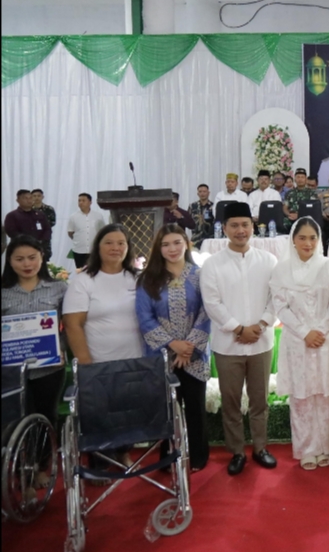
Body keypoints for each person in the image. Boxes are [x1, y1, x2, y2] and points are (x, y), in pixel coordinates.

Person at [199, 202, 279, 475]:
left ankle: (260, 447)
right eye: (234, 225)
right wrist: (238, 329)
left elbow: (276, 297)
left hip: (261, 341)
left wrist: (262, 324)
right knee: (231, 401)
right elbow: (212, 303)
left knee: (259, 400)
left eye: (245, 224)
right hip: (228, 346)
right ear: (224, 228)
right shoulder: (212, 264)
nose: (240, 230)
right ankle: (236, 451)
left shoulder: (268, 261)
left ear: (252, 227)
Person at [136, 224, 211, 471]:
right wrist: (173, 345)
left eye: (177, 242)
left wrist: (189, 348)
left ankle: (198, 457)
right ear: (158, 249)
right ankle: (168, 458)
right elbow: (145, 318)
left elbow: (207, 312)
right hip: (162, 355)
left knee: (195, 408)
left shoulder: (200, 275)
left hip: (194, 355)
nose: (172, 249)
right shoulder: (148, 278)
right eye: (165, 244)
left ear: (186, 244)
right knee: (166, 410)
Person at [270, 217, 329, 470]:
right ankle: (306, 449)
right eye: (302, 238)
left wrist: (320, 330)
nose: (308, 243)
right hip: (297, 341)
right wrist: (304, 332)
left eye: (312, 238)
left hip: (324, 339)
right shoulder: (281, 269)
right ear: (293, 240)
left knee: (325, 394)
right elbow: (280, 306)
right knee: (302, 396)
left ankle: (327, 446)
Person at [2, 236, 69, 473]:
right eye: (19, 259)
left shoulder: (60, 288)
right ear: (10, 261)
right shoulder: (4, 292)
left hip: (49, 367)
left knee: (46, 414)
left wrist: (61, 349)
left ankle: (41, 466)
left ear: (42, 258)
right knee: (15, 419)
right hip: (11, 370)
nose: (27, 264)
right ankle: (21, 469)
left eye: (32, 257)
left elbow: (69, 326)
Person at [63, 224, 142, 365]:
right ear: (98, 247)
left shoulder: (139, 279)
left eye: (121, 243)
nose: (115, 248)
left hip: (139, 362)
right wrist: (86, 363)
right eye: (108, 243)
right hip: (100, 365)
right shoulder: (83, 281)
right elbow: (73, 325)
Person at [4, 190, 52, 260]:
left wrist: (42, 241)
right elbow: (11, 232)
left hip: (39, 248)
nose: (29, 200)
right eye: (25, 198)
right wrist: (28, 242)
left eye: (30, 198)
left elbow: (47, 229)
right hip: (20, 248)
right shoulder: (12, 215)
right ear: (18, 200)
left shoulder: (40, 214)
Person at [66, 193, 105, 269]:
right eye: (79, 201)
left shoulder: (98, 216)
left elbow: (102, 232)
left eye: (83, 200)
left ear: (90, 202)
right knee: (81, 271)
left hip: (94, 250)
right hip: (79, 250)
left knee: (95, 270)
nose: (81, 203)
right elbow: (70, 232)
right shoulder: (73, 217)